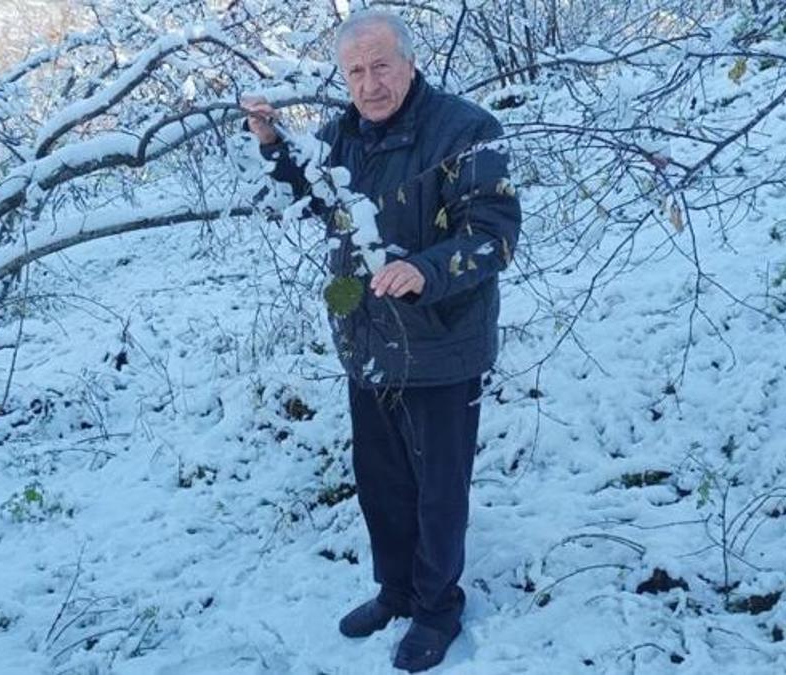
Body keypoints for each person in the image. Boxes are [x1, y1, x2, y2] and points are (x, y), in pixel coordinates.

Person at [242, 9, 521, 672]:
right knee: (382, 481)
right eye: (356, 71)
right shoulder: (344, 135)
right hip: (367, 341)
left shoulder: (466, 130)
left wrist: (424, 270)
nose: (369, 83)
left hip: (441, 343)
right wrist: (273, 142)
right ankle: (395, 589)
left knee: (437, 488)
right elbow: (313, 194)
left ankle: (435, 607)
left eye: (381, 66)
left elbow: (495, 234)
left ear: (411, 62)